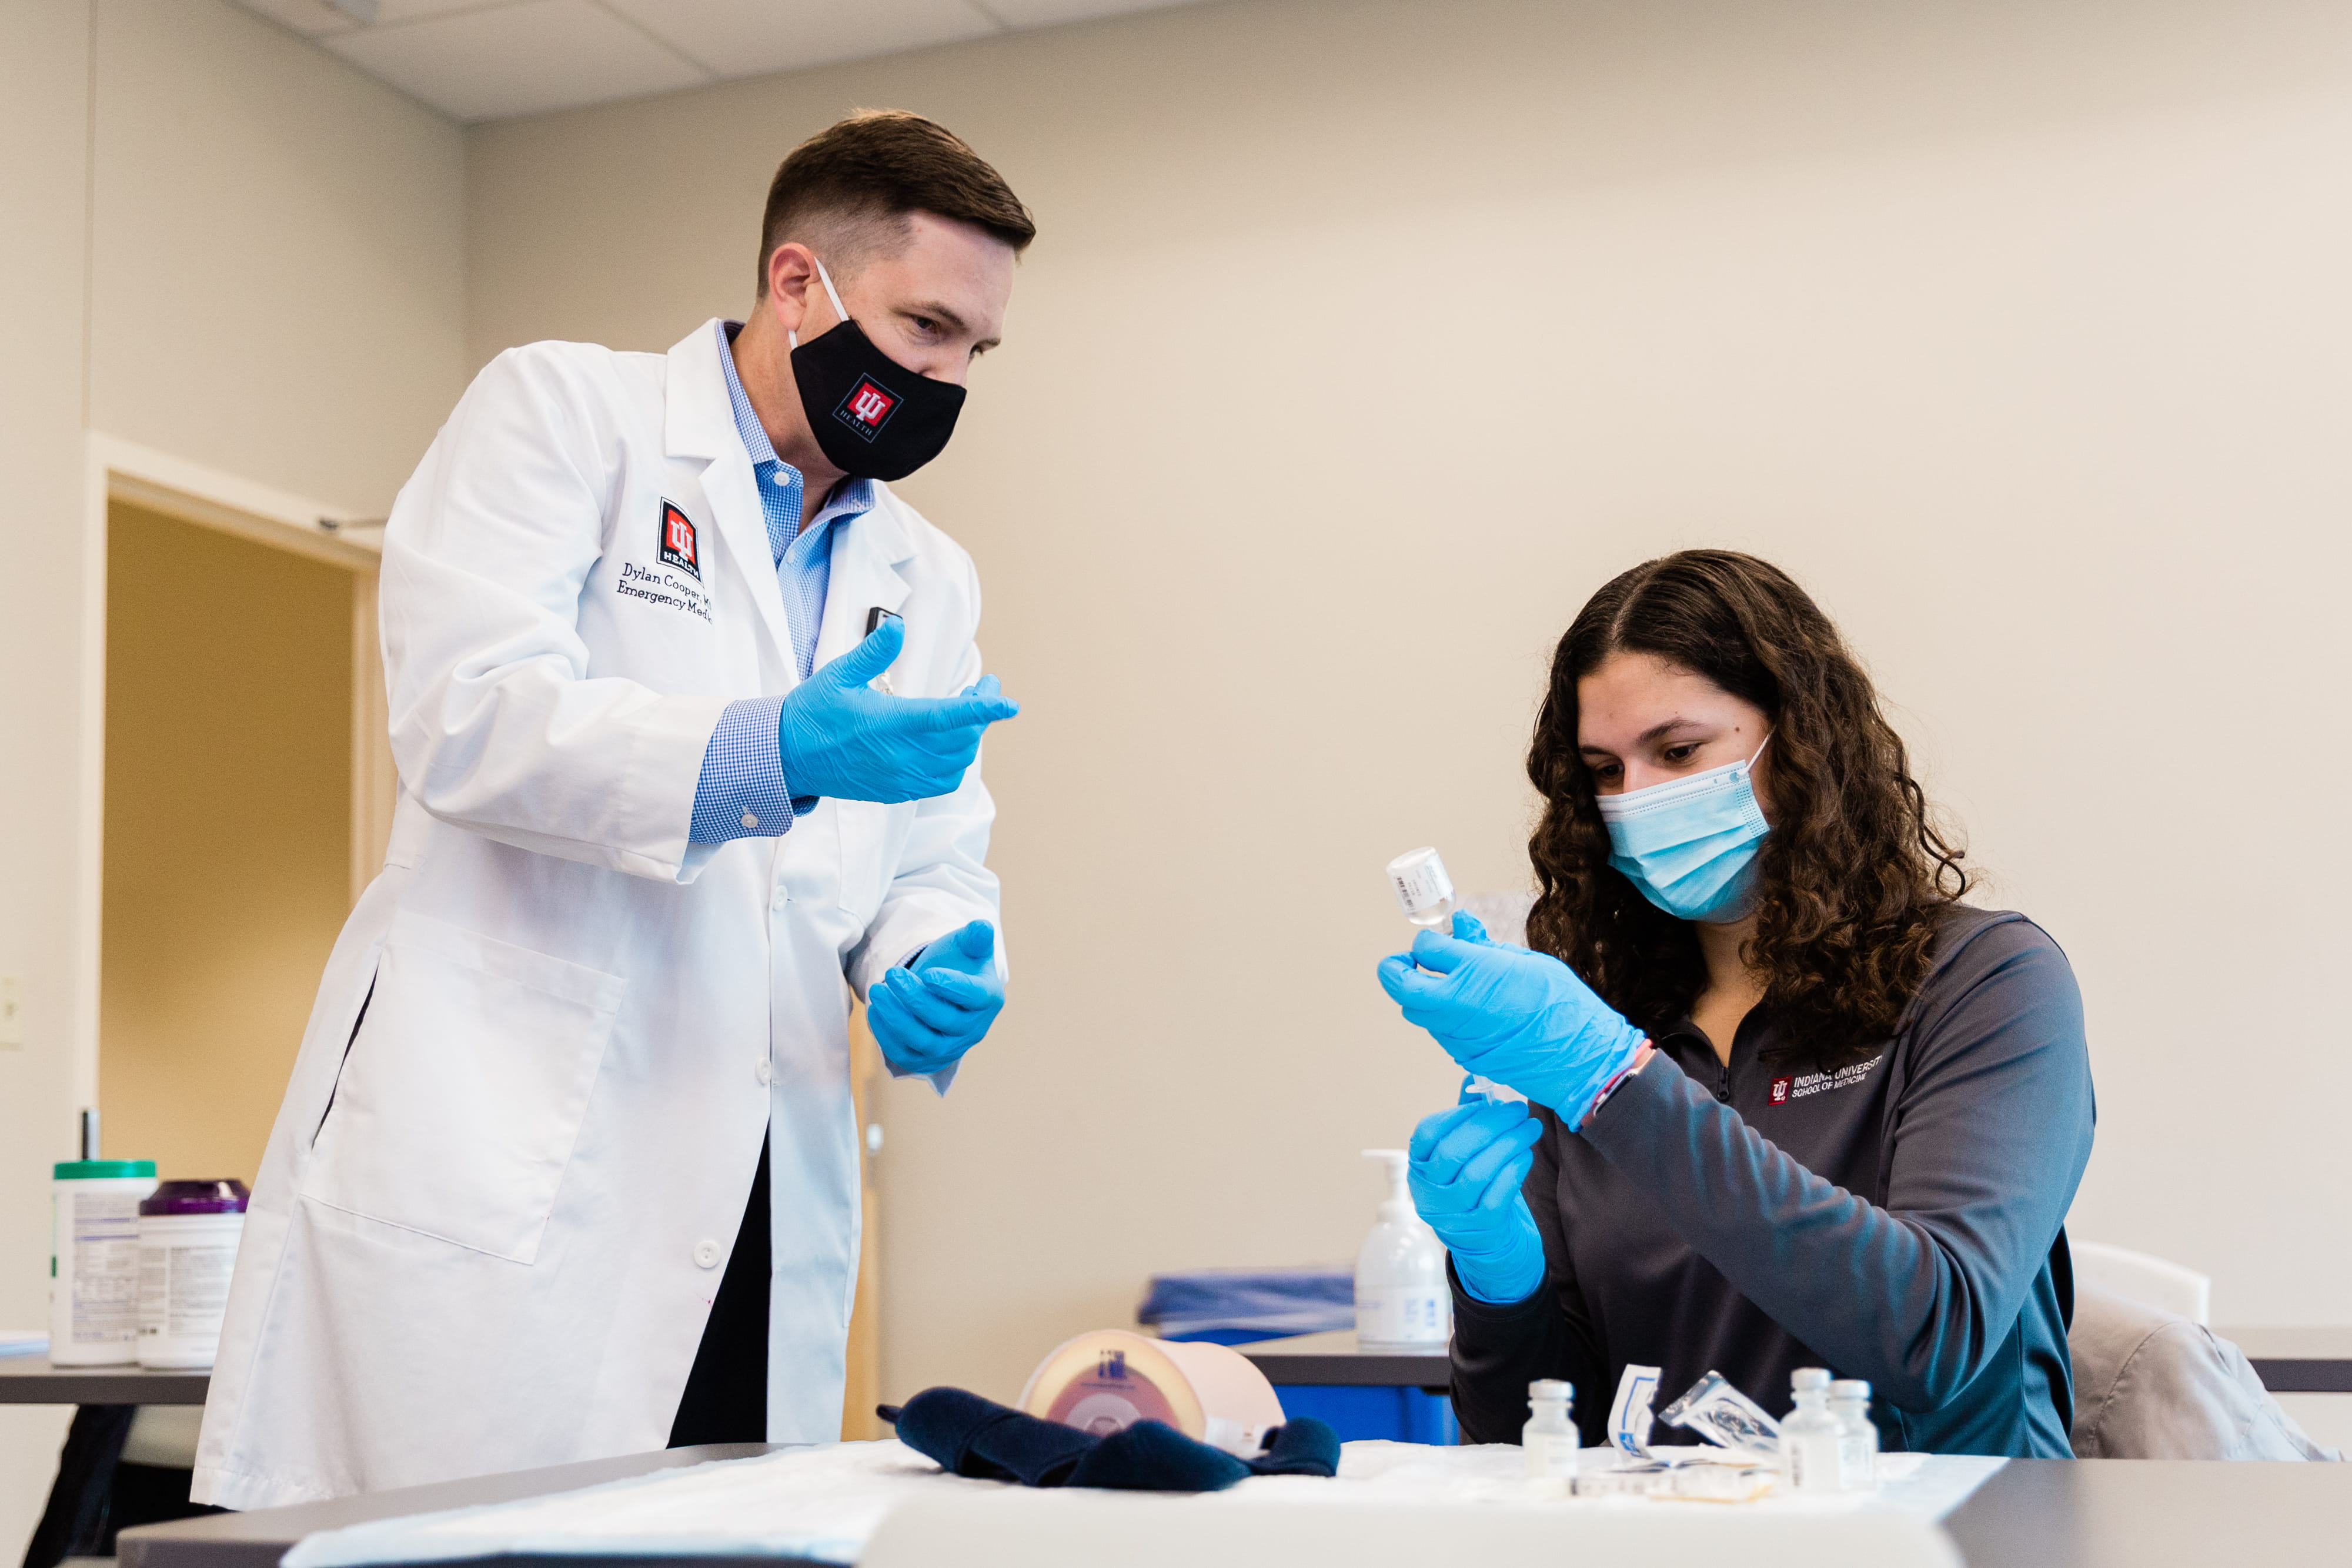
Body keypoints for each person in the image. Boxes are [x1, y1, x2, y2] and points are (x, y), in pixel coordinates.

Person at [194, 112, 1035, 1508]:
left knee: (715, 1528)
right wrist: (767, 750)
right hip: (508, 1166)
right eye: (926, 326)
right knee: (466, 1530)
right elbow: (467, 714)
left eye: (975, 351)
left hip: (758, 1190)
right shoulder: (566, 417)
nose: (946, 377)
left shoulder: (926, 575)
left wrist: (928, 953)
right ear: (796, 283)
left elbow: (933, 847)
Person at [1377, 550, 2095, 1457]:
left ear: (1799, 741)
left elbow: (1933, 1335)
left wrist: (1614, 1081)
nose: (1635, 801)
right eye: (1604, 770)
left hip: (1944, 1524)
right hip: (1681, 1522)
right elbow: (1534, 1441)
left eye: (1678, 752)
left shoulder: (1983, 982)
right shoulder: (1602, 1019)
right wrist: (1498, 1285)